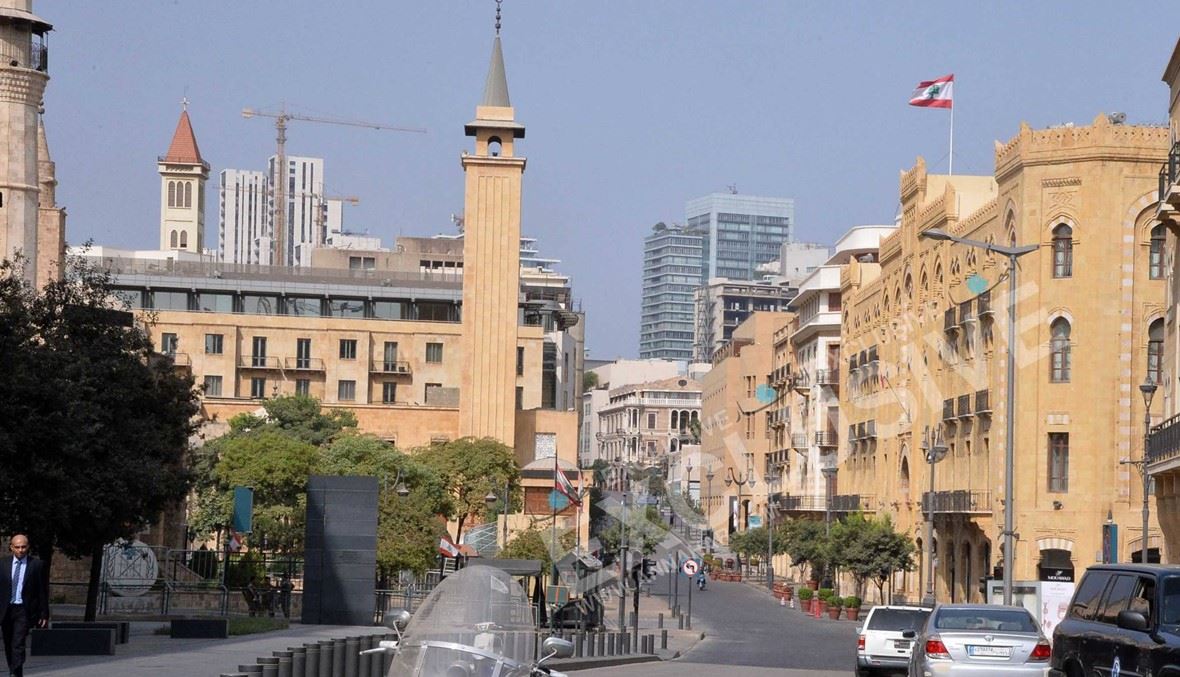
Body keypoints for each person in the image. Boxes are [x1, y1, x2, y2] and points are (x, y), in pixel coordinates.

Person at [1, 534, 49, 677]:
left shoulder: (36, 565)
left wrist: (44, 613)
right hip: (6, 609)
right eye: (17, 547)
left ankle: (14, 673)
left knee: (18, 643)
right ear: (11, 547)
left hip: (24, 610)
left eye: (23, 547)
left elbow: (42, 590)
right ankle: (15, 670)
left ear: (28, 547)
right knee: (8, 643)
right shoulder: (3, 564)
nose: (20, 550)